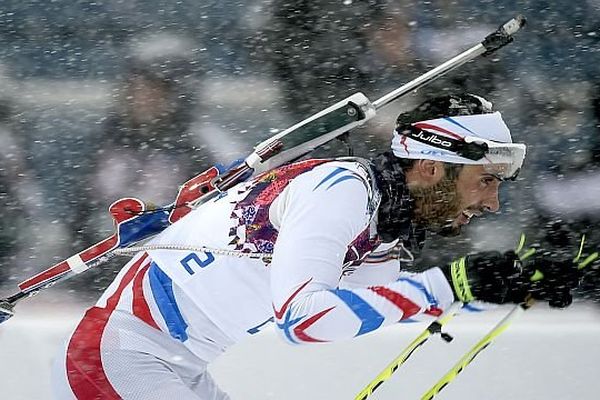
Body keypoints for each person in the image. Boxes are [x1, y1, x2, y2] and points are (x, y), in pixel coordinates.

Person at [52, 94, 583, 399]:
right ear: (430, 167)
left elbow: (357, 311)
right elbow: (304, 321)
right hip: (120, 356)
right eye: (486, 181)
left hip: (177, 365)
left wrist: (509, 280)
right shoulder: (342, 190)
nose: (492, 204)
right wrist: (454, 285)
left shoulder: (385, 231)